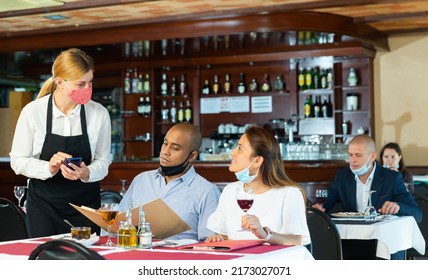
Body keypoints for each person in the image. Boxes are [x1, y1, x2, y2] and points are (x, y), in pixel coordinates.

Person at [10, 48, 112, 238]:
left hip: (85, 207)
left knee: (83, 261)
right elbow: (17, 161)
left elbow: (104, 162)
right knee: (46, 260)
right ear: (60, 82)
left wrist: (87, 172)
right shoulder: (33, 112)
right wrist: (48, 167)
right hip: (43, 207)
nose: (87, 89)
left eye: (90, 83)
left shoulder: (99, 113)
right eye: (80, 84)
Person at [314, 134, 422, 259]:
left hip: (382, 244)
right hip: (351, 244)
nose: (353, 160)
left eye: (358, 155)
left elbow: (418, 214)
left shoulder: (391, 178)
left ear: (372, 156)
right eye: (350, 155)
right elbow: (325, 204)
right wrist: (318, 208)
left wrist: (398, 207)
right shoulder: (342, 177)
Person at [206, 126, 311, 246]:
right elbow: (227, 235)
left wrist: (264, 235)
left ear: (257, 161)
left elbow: (297, 240)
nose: (232, 152)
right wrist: (219, 238)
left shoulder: (289, 193)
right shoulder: (230, 190)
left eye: (240, 148)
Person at [119, 123, 221, 241]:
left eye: (175, 148)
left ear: (192, 156)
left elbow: (209, 242)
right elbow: (120, 223)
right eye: (165, 143)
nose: (165, 151)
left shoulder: (207, 192)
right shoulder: (141, 180)